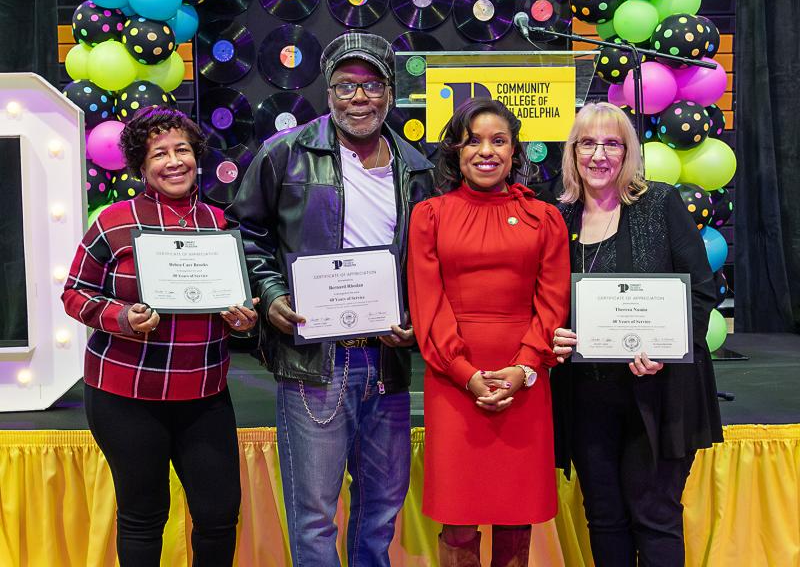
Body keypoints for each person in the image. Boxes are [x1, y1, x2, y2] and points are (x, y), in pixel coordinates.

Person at [225, 32, 434, 566]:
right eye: (345, 86)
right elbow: (245, 234)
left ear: (390, 91)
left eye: (370, 86)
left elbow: (426, 260)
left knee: (380, 509)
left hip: (385, 358)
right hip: (314, 360)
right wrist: (269, 294)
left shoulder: (417, 168)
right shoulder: (283, 154)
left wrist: (413, 317)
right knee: (315, 515)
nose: (357, 98)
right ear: (327, 91)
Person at [62, 107, 257, 566]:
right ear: (141, 165)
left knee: (218, 515)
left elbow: (236, 302)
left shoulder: (218, 224)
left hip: (204, 393)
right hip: (127, 394)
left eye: (182, 150)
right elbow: (74, 293)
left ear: (197, 157)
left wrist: (243, 320)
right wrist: (122, 317)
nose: (174, 162)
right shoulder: (112, 221)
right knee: (144, 515)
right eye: (159, 154)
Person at [550, 102, 724, 567]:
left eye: (613, 143)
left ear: (629, 153)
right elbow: (544, 298)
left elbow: (701, 291)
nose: (599, 155)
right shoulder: (558, 216)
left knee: (655, 514)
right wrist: (553, 334)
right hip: (587, 396)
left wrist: (668, 347)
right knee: (603, 516)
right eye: (588, 143)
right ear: (572, 152)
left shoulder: (659, 202)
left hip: (659, 391)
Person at [407, 98, 571, 565]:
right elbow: (427, 303)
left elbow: (553, 302)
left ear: (515, 150)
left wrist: (524, 369)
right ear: (456, 152)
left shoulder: (546, 217)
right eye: (473, 141)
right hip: (454, 384)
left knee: (515, 519)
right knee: (457, 520)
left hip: (524, 383)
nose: (486, 151)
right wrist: (465, 373)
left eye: (498, 141)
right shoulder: (430, 215)